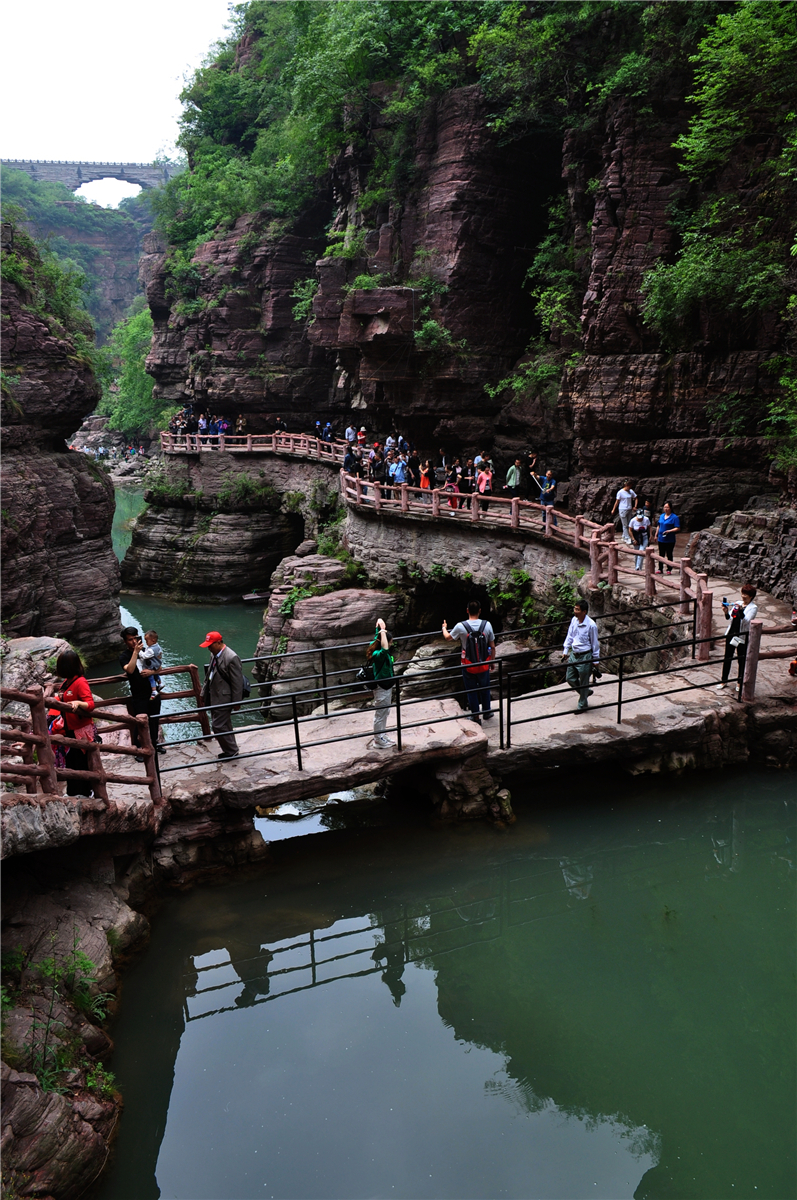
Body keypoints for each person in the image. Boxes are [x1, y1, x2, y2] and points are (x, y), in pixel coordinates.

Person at [48, 650, 96, 797]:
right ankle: (73, 792)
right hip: (69, 729)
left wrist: (78, 703)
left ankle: (85, 792)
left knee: (81, 762)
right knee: (72, 762)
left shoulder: (80, 682)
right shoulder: (67, 682)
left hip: (80, 730)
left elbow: (90, 704)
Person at [443, 601, 496, 723]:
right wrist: (492, 661)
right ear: (480, 611)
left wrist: (444, 628)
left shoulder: (461, 626)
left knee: (471, 690)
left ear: (467, 611)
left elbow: (448, 637)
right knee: (485, 687)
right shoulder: (487, 625)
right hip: (483, 664)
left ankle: (476, 717)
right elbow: (492, 646)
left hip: (468, 664)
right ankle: (487, 711)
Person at [199, 631, 244, 759]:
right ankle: (232, 749)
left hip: (225, 698)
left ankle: (230, 751)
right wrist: (203, 693)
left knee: (217, 725)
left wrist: (236, 702)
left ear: (218, 643)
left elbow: (237, 683)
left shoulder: (231, 657)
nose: (208, 648)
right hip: (215, 696)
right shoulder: (214, 654)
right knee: (224, 724)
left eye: (210, 645)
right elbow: (209, 675)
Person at [120, 627, 161, 760]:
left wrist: (152, 672)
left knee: (154, 719)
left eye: (135, 638)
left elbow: (159, 666)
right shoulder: (124, 656)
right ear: (125, 642)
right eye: (130, 640)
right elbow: (130, 670)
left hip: (153, 692)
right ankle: (140, 748)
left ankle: (155, 744)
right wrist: (135, 653)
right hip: (138, 694)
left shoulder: (148, 651)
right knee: (141, 722)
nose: (133, 642)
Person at [717, 585, 758, 692]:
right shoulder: (738, 603)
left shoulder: (753, 608)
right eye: (742, 593)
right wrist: (726, 611)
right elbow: (730, 617)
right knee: (727, 658)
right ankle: (723, 680)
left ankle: (739, 682)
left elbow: (747, 621)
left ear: (751, 596)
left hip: (742, 636)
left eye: (746, 594)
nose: (743, 596)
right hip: (731, 634)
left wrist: (740, 611)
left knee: (741, 659)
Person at [562, 599, 600, 713]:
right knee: (570, 678)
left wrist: (595, 659)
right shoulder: (574, 620)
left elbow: (594, 643)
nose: (575, 611)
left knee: (584, 681)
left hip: (585, 655)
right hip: (574, 653)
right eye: (575, 608)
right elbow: (570, 635)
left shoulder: (591, 625)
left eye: (577, 609)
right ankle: (585, 692)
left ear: (584, 612)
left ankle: (582, 705)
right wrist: (565, 650)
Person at [368, 619, 395, 749]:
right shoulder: (378, 654)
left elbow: (377, 638)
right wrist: (383, 631)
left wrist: (379, 627)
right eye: (390, 641)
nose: (391, 643)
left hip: (387, 685)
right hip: (381, 687)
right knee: (380, 713)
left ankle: (382, 735)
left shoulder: (377, 646)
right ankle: (378, 740)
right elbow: (384, 647)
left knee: (385, 711)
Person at [656, 501, 680, 573]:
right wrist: (656, 534)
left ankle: (669, 568)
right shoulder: (662, 516)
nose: (666, 509)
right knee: (661, 554)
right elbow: (658, 525)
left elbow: (677, 528)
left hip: (670, 539)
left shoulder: (674, 517)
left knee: (669, 553)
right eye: (665, 507)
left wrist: (669, 531)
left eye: (667, 507)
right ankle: (660, 568)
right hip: (661, 538)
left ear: (671, 508)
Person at [140, 630, 164, 697]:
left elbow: (144, 656)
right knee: (156, 674)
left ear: (153, 640)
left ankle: (154, 691)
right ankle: (160, 684)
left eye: (147, 641)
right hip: (157, 664)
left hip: (151, 666)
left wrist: (139, 651)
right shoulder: (158, 646)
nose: (146, 642)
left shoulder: (151, 650)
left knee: (151, 678)